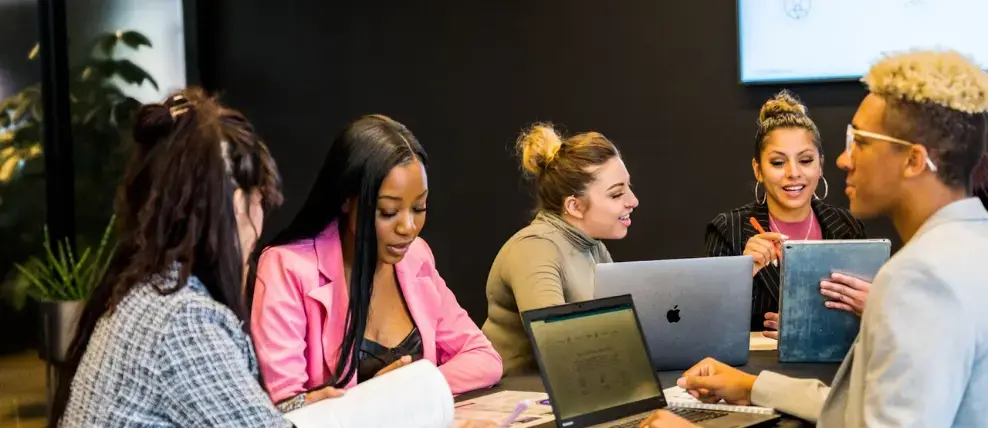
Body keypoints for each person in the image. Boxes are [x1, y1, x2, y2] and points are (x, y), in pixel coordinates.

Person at [646, 50, 988, 427]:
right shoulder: (972, 247)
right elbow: (863, 407)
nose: (844, 159)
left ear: (913, 160)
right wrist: (753, 386)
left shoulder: (920, 279)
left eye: (859, 141)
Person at [47, 88, 294, 427]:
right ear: (238, 205)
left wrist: (294, 406)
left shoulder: (142, 291)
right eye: (260, 200)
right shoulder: (183, 320)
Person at [251, 114, 502, 410]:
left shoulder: (416, 256)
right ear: (346, 199)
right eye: (388, 212)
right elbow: (284, 404)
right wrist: (380, 396)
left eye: (419, 207)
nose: (408, 227)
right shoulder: (287, 266)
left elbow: (484, 358)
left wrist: (413, 387)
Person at [704, 90, 871, 338]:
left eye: (805, 160)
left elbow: (863, 320)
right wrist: (741, 272)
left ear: (820, 165)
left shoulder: (848, 227)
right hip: (755, 369)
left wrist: (809, 329)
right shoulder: (728, 230)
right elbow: (707, 321)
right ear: (758, 169)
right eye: (778, 162)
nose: (793, 173)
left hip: (831, 369)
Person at [482, 123, 639, 375]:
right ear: (575, 207)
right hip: (519, 397)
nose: (633, 201)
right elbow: (557, 347)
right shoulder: (534, 249)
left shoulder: (594, 248)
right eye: (616, 194)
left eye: (628, 188)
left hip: (570, 388)